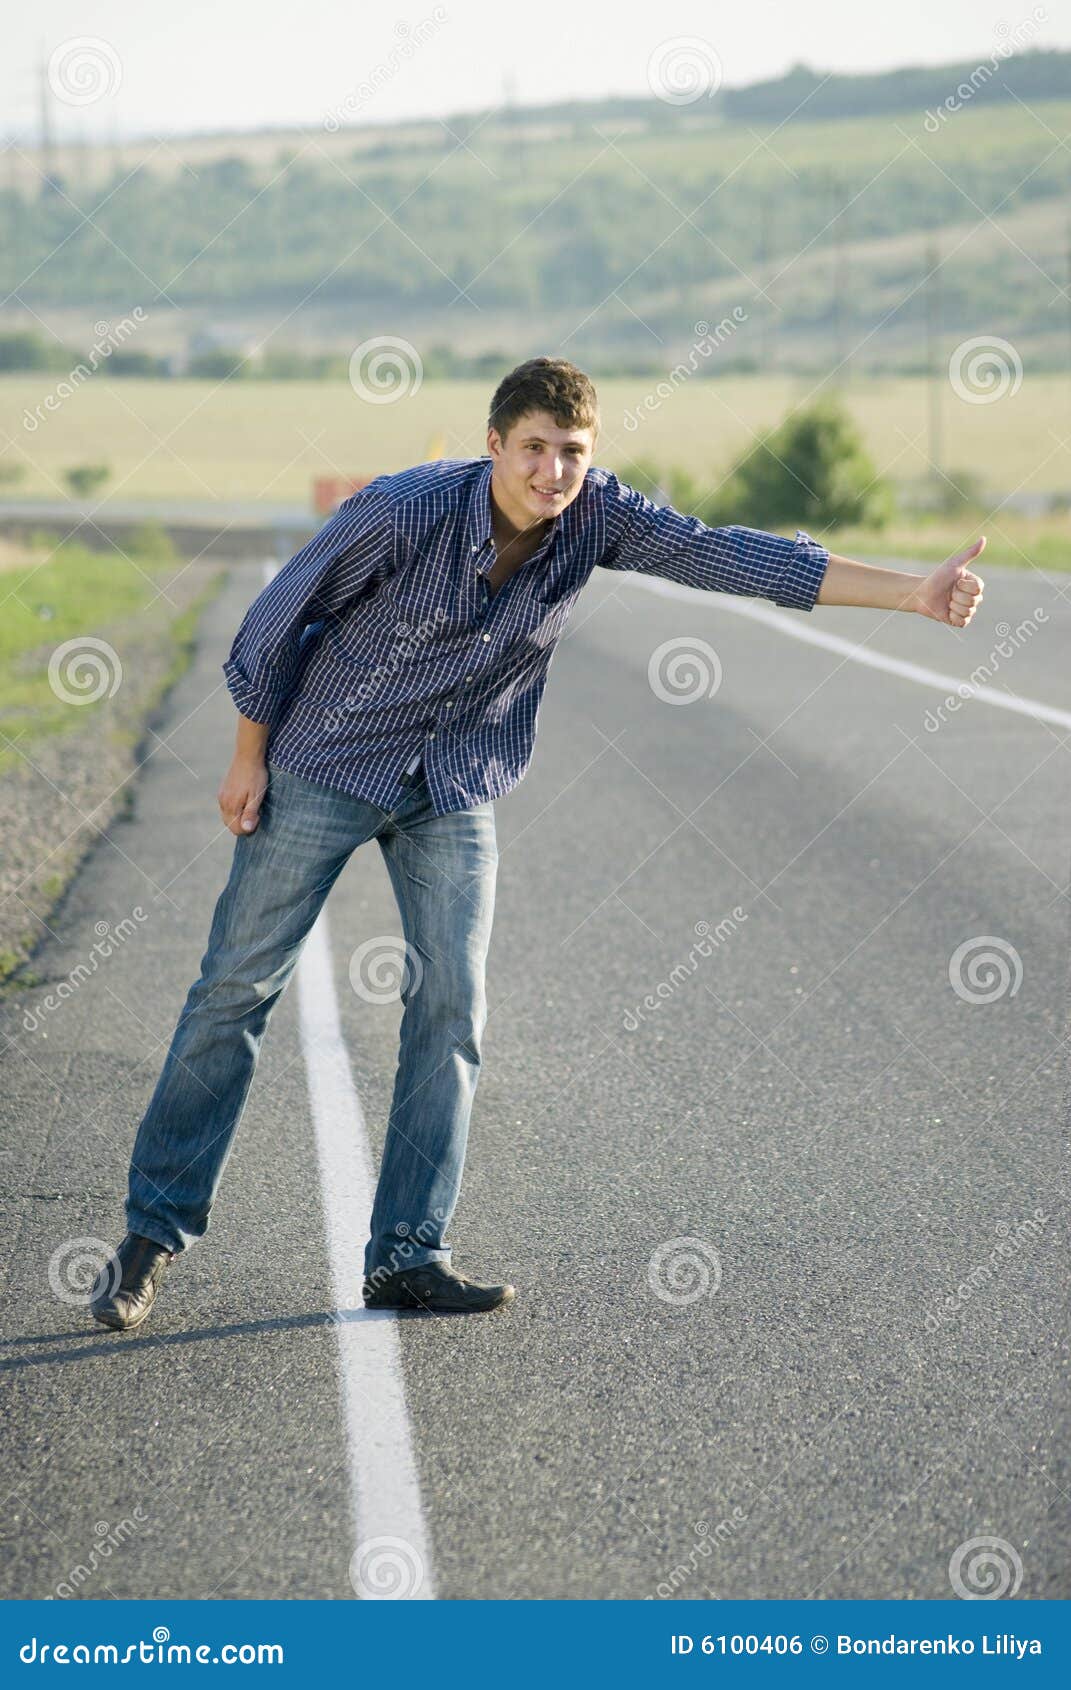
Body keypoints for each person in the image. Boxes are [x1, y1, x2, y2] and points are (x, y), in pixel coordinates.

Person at [91, 356, 984, 1331]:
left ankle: (407, 1254)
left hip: (455, 781)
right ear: (493, 447)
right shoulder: (403, 510)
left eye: (572, 453)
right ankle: (148, 1239)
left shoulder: (596, 516)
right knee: (236, 988)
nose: (553, 472)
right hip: (326, 759)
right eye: (535, 450)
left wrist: (916, 593)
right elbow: (275, 623)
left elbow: (734, 557)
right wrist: (246, 758)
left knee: (454, 1007)